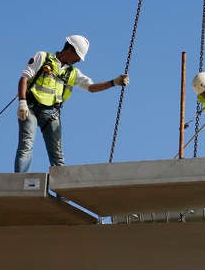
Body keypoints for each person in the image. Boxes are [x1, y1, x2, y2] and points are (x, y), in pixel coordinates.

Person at [14, 35, 129, 173]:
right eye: (78, 56)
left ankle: (61, 185)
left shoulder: (73, 73)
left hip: (51, 113)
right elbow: (24, 78)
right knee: (26, 145)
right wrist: (22, 102)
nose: (78, 60)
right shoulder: (43, 57)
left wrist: (114, 82)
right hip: (30, 107)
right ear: (70, 49)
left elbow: (91, 87)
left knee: (57, 156)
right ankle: (20, 180)